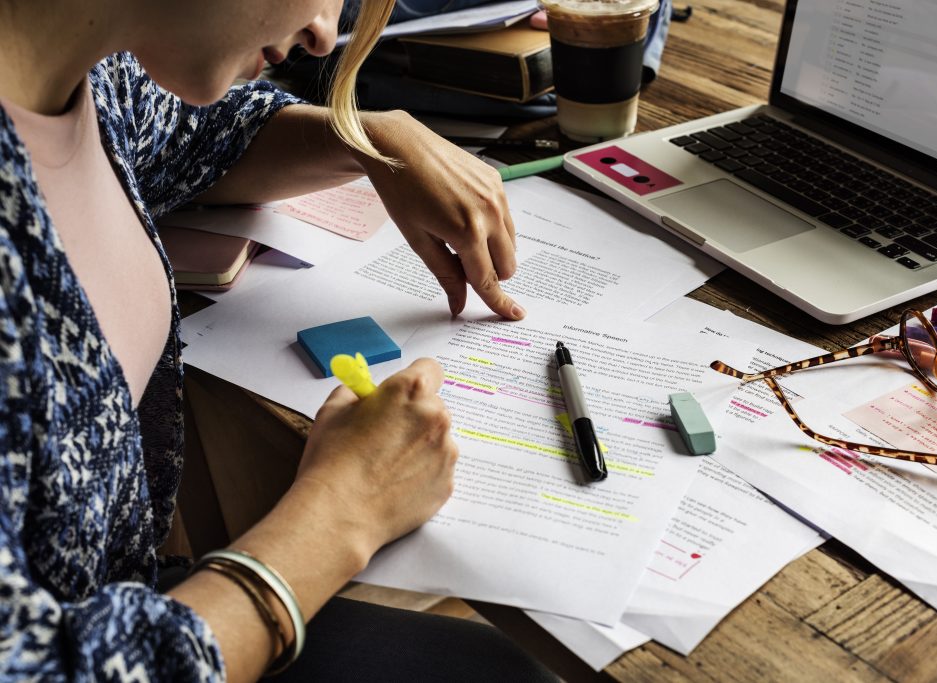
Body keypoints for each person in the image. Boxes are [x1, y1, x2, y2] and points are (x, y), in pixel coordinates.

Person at [0, 0, 556, 680]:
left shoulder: (87, 71)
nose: (324, 34)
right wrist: (339, 515)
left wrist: (371, 143)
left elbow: (191, 135)